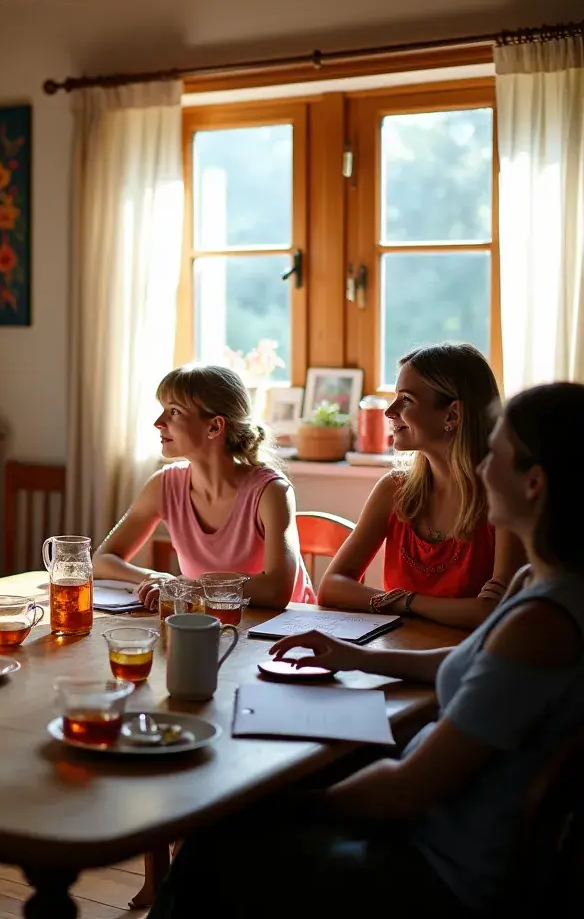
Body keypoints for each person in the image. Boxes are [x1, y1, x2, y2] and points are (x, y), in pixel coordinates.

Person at [149, 381, 584, 918]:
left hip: (439, 874)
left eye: (494, 453)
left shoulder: (540, 626)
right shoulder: (539, 587)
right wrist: (359, 656)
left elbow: (406, 788)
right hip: (428, 835)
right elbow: (469, 665)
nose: (482, 467)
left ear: (534, 483)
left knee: (213, 844)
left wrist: (292, 808)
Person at [318, 343, 524, 629]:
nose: (390, 412)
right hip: (395, 655)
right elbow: (331, 587)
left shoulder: (503, 498)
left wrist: (404, 602)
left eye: (406, 400)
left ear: (452, 415)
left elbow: (494, 614)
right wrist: (410, 602)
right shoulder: (394, 490)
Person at [93, 363, 313, 610]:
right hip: (211, 626)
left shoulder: (271, 492)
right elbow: (102, 561)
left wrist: (190, 588)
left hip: (280, 637)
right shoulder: (164, 486)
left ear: (215, 427)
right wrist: (153, 578)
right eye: (163, 410)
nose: (158, 422)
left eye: (174, 412)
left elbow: (276, 590)